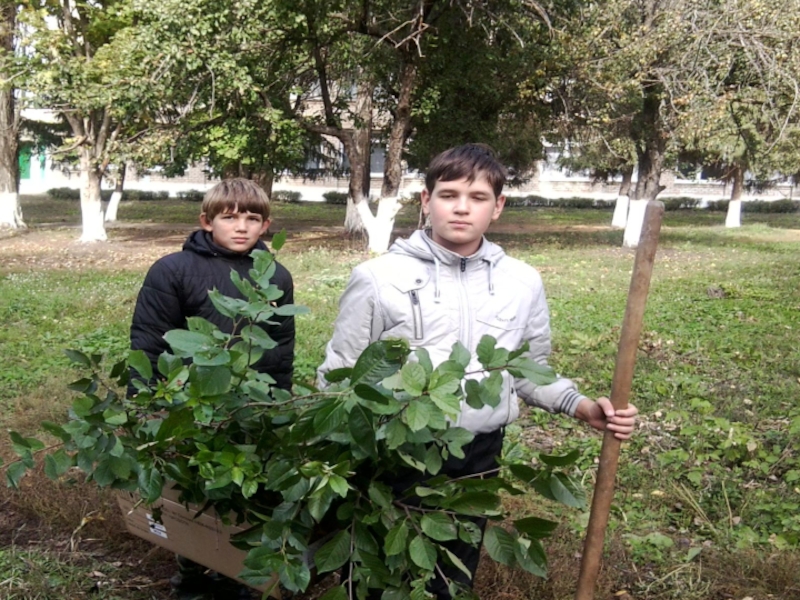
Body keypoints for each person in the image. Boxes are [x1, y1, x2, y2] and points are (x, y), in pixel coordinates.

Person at [317, 144, 638, 599]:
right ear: (426, 201)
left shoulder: (521, 282)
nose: (462, 207)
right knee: (377, 575)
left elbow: (528, 370)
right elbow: (341, 375)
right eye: (448, 195)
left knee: (451, 574)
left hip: (477, 456)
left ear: (498, 206)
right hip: (395, 452)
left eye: (478, 197)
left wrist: (581, 406)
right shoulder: (378, 277)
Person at [130, 178, 295, 600]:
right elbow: (149, 341)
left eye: (252, 218)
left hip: (249, 408)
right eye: (229, 217)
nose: (241, 226)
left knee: (241, 491)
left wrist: (279, 404)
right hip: (191, 407)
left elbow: (280, 348)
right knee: (193, 492)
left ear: (266, 226)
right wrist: (146, 403)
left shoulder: (275, 276)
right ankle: (191, 571)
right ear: (207, 221)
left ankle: (235, 573)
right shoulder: (173, 270)